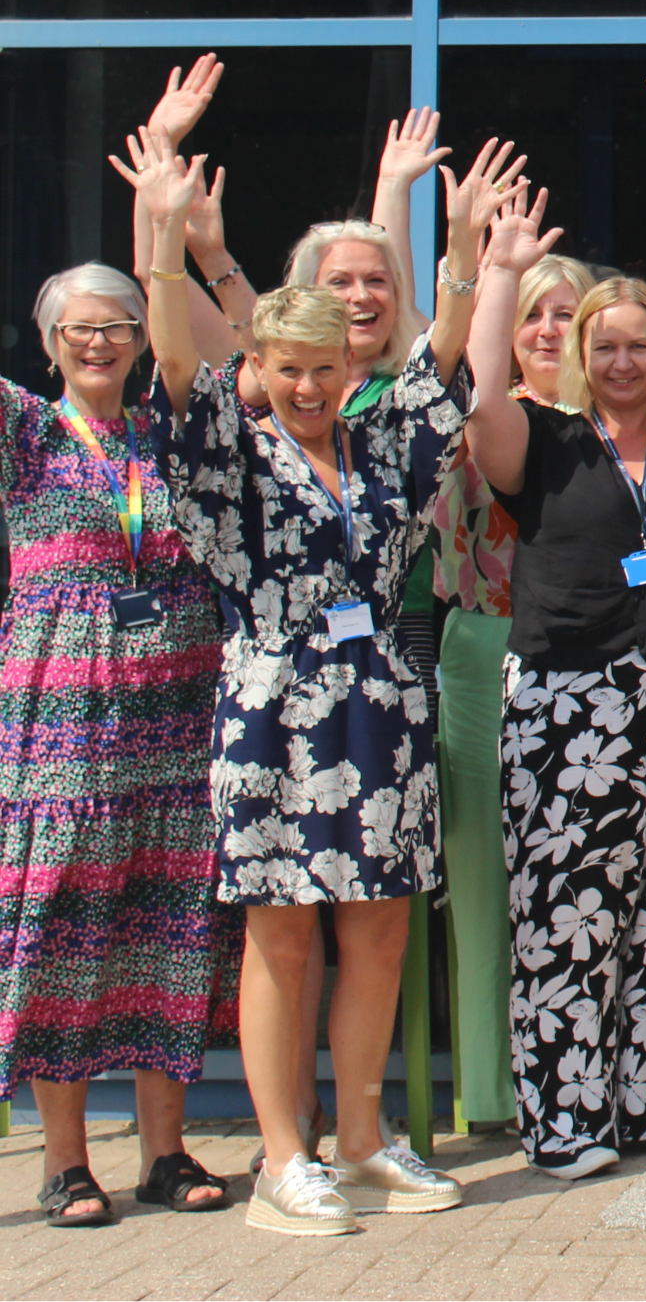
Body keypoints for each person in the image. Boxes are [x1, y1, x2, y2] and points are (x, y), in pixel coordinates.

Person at [141, 134, 486, 1236]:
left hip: (379, 704)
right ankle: (283, 1157)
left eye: (324, 368)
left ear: (348, 367)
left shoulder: (384, 445)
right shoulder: (227, 452)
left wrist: (465, 253)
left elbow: (441, 367)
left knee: (379, 929)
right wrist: (167, 242)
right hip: (274, 708)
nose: (305, 385)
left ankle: (362, 1139)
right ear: (260, 366)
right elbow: (177, 365)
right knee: (283, 935)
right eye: (286, 367)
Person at [461, 196, 646, 1180]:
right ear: (580, 352)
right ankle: (566, 1117)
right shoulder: (541, 436)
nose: (622, 361)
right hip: (568, 705)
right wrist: (499, 272)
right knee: (569, 911)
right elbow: (480, 393)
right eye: (603, 345)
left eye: (638, 344)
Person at [0, 263, 236, 1227]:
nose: (99, 343)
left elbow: (226, 356)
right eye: (80, 328)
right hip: (65, 726)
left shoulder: (168, 434)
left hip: (177, 719)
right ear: (48, 339)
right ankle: (65, 1164)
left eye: (119, 327)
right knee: (64, 925)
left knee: (171, 925)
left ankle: (165, 1155)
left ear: (144, 339)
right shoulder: (25, 433)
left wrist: (173, 244)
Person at [429, 247, 593, 1138]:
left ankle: (580, 1081)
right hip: (482, 647)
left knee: (580, 876)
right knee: (485, 882)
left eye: (567, 313)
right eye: (533, 312)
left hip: (591, 657)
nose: (548, 329)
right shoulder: (471, 419)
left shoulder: (620, 428)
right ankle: (492, 1093)